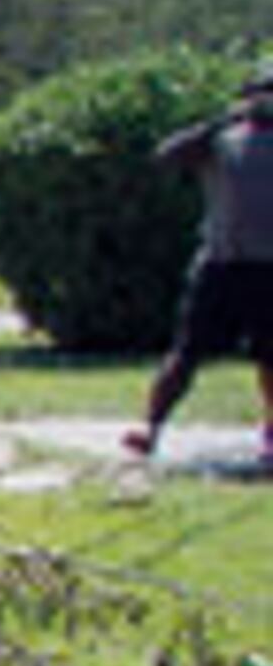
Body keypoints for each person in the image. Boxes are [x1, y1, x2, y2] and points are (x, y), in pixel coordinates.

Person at [121, 67, 273, 474]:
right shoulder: (221, 142)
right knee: (186, 353)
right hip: (220, 262)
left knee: (270, 357)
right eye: (259, 94)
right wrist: (222, 120)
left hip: (269, 266)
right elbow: (166, 156)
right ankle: (149, 428)